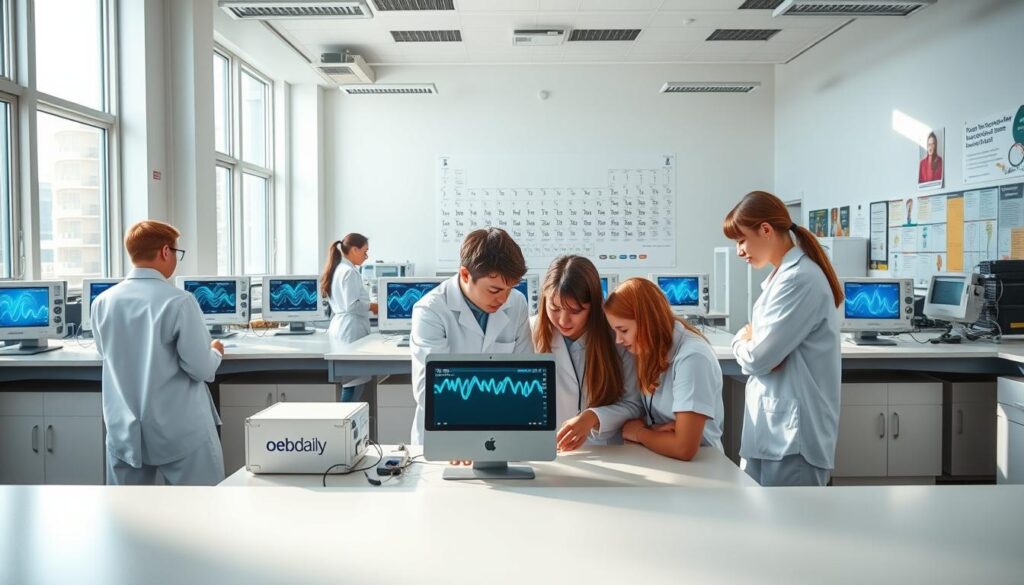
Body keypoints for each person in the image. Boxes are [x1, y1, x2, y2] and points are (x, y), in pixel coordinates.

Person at [723, 190, 843, 486]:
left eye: (741, 240)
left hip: (794, 440)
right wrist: (757, 349)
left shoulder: (800, 279)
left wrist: (740, 339)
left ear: (765, 230)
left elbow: (758, 358)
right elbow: (764, 358)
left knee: (791, 528)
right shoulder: (783, 277)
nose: (739, 251)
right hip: (773, 431)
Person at [92, 220, 225, 486]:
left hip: (125, 431)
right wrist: (216, 352)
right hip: (180, 431)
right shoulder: (179, 302)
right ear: (166, 252)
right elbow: (201, 370)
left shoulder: (103, 302)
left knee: (128, 516)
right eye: (177, 253)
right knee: (203, 511)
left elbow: (105, 352)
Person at [409, 228, 534, 444]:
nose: (504, 299)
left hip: (501, 430)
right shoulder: (431, 310)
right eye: (495, 290)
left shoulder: (517, 303)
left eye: (510, 289)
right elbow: (429, 392)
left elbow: (526, 376)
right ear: (466, 275)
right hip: (447, 431)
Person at [587, 278, 725, 461]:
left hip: (702, 465)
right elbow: (655, 418)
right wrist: (654, 429)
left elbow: (684, 447)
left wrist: (640, 433)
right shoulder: (650, 350)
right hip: (663, 459)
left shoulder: (693, 358)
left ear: (647, 322)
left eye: (623, 330)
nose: (618, 340)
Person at [530, 255, 636, 451]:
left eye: (575, 311)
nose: (563, 321)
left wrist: (593, 417)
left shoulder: (617, 337)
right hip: (547, 450)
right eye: (554, 308)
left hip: (606, 451)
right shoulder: (529, 331)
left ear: (594, 307)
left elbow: (633, 404)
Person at [322, 233, 377, 401]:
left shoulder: (340, 269)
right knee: (353, 385)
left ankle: (345, 423)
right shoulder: (349, 272)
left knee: (352, 382)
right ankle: (343, 424)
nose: (366, 256)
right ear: (354, 249)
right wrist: (374, 306)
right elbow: (352, 305)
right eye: (364, 251)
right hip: (349, 331)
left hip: (344, 327)